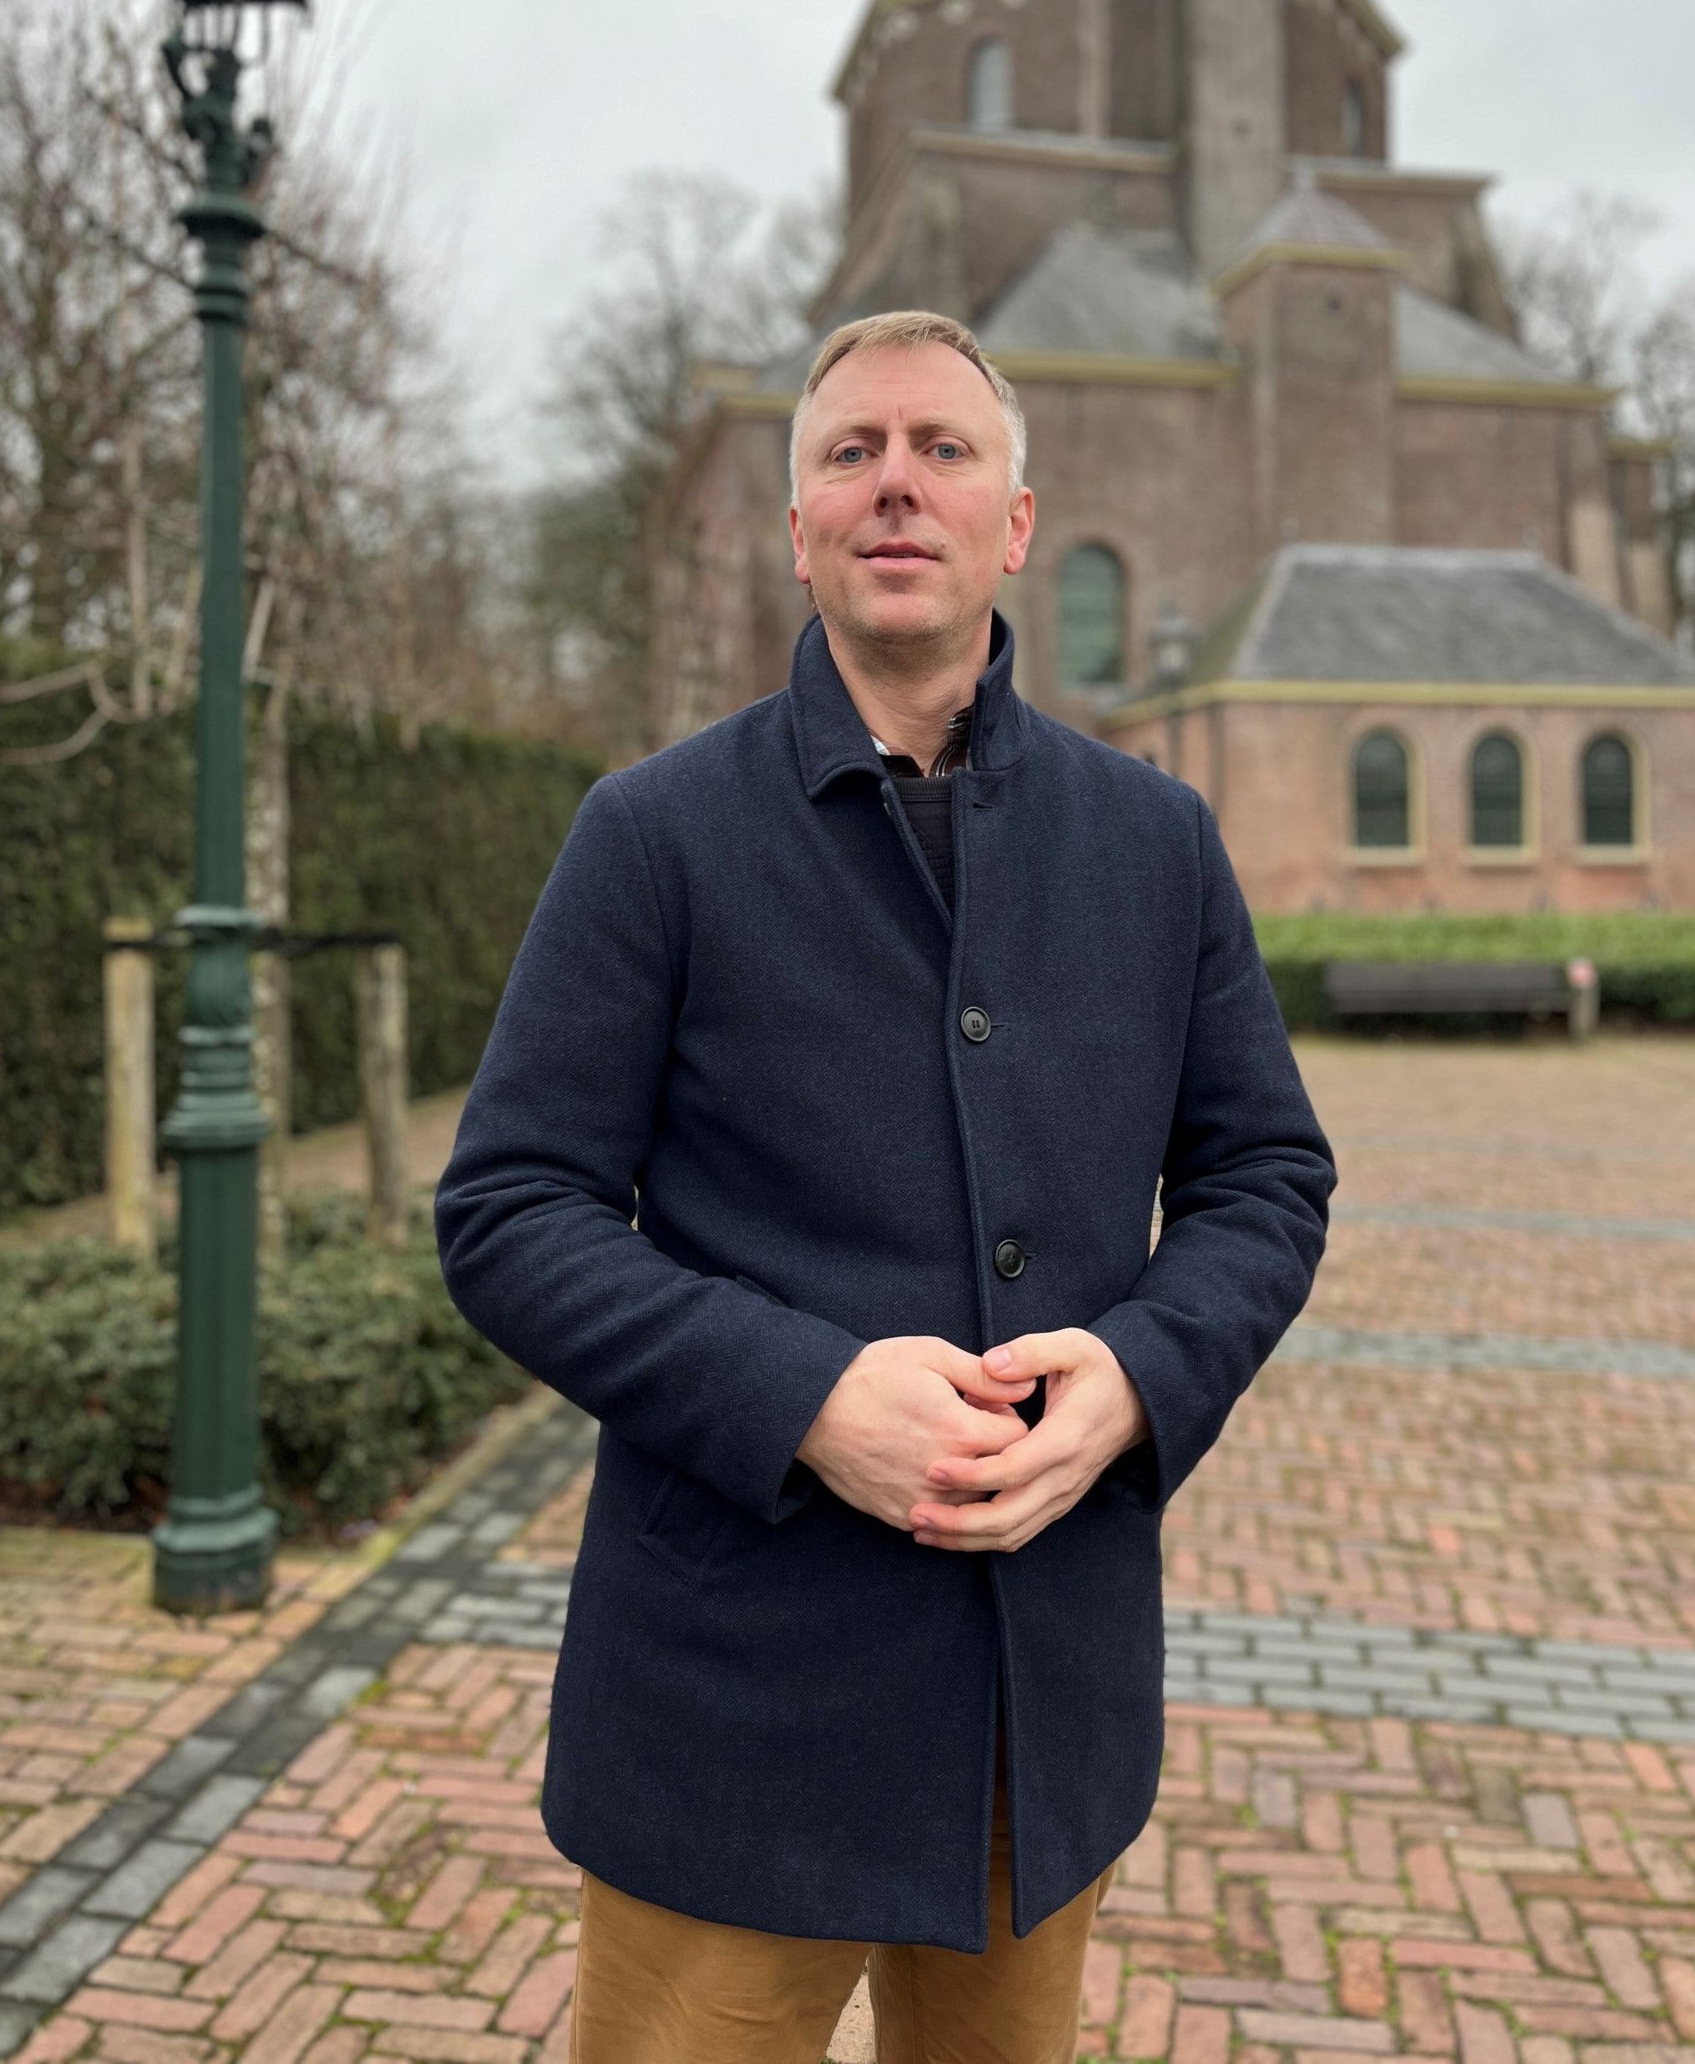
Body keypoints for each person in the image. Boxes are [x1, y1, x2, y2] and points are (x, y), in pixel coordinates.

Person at [434, 308, 1336, 2064]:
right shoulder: (652, 834)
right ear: (800, 530)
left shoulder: (1157, 841)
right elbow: (510, 1210)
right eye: (851, 453)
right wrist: (805, 1396)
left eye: (942, 451)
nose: (894, 484)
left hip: (1037, 1701)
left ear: (1014, 525)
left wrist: (1140, 1381)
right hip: (732, 1714)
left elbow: (1265, 1174)